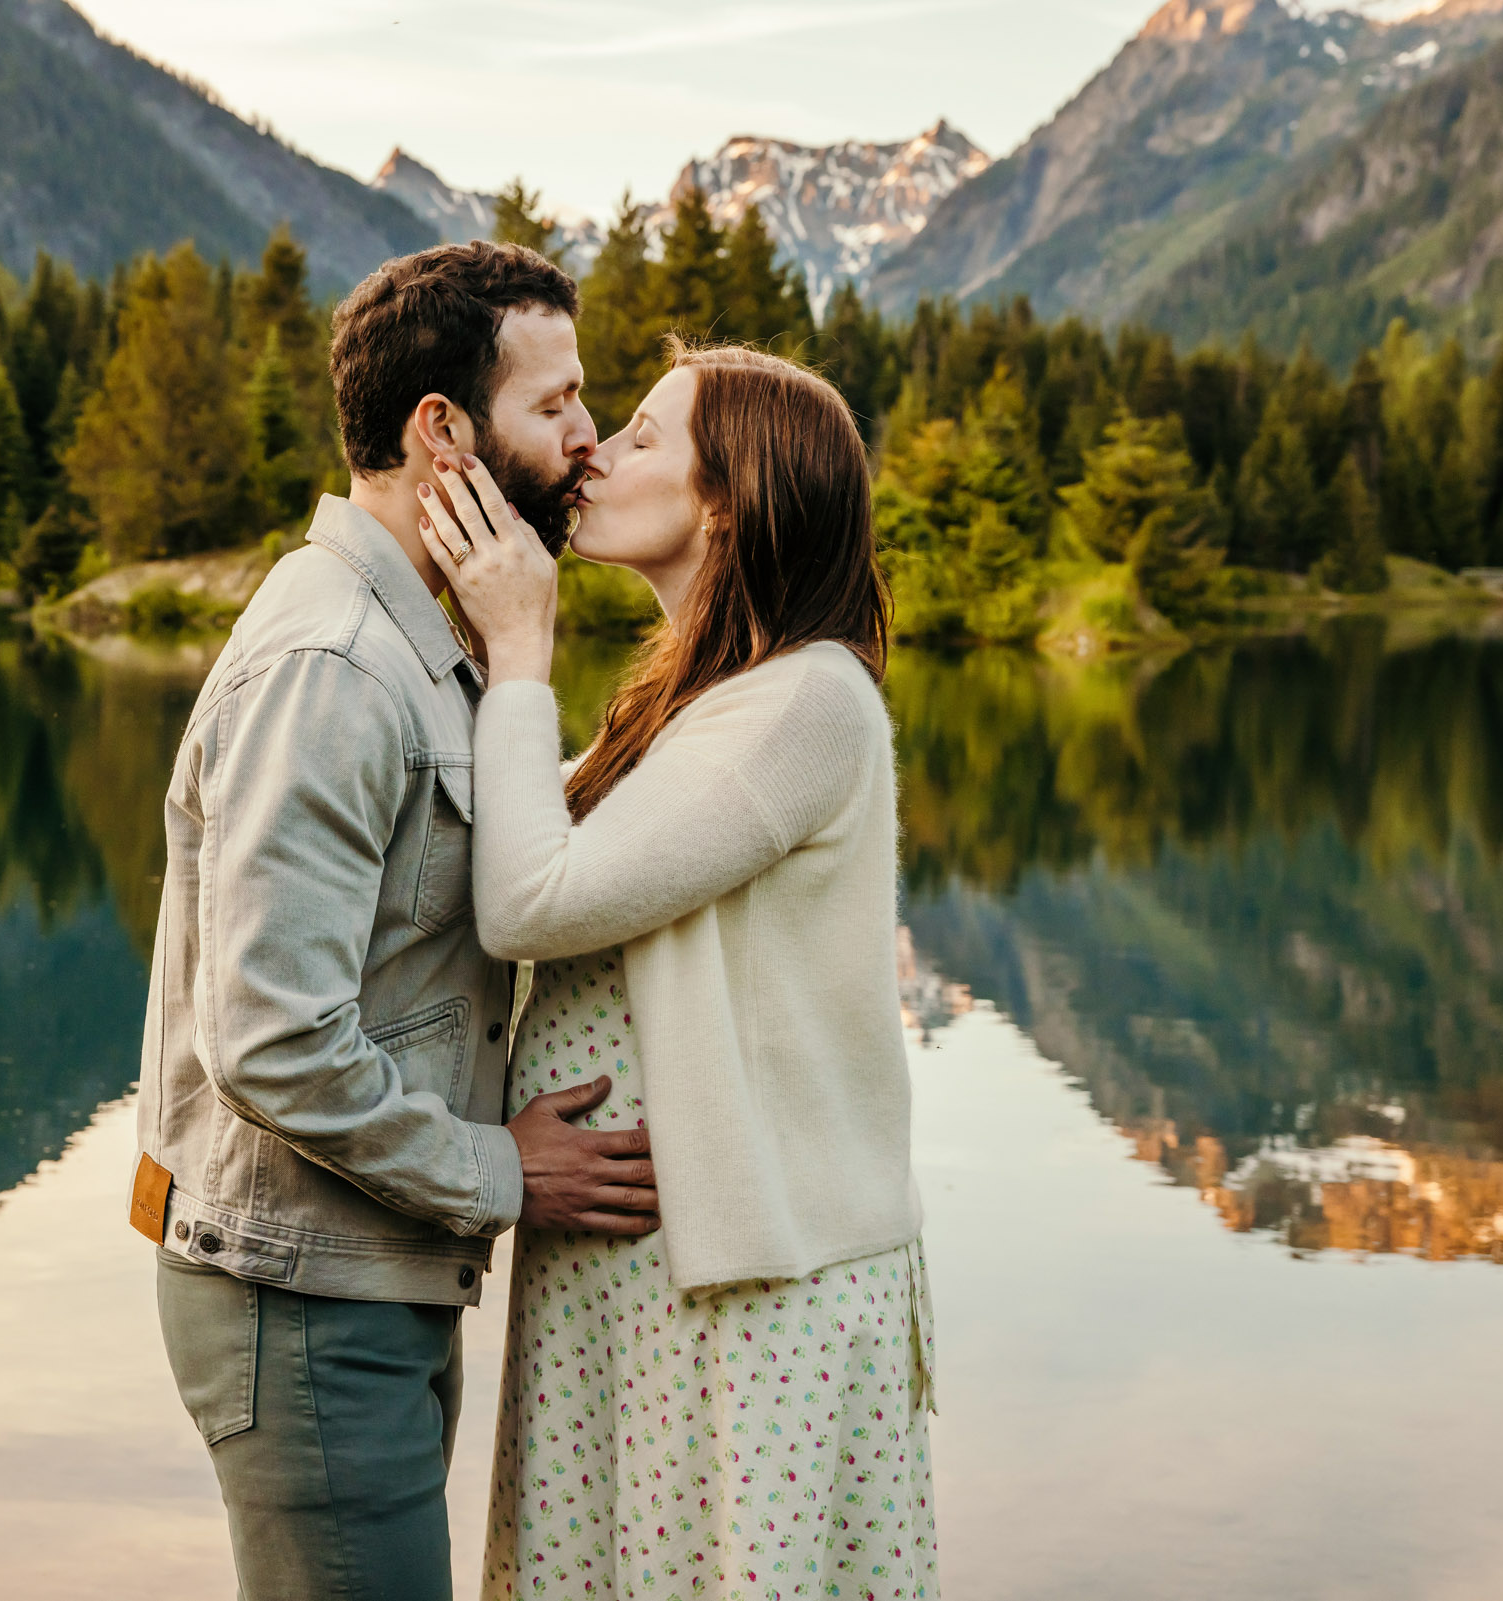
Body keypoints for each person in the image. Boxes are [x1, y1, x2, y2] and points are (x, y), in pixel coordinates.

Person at [133, 242, 663, 1601]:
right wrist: (506, 1173)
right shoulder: (337, 668)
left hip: (357, 1280)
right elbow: (268, 1038)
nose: (587, 439)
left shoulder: (414, 644)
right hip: (302, 1298)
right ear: (443, 432)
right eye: (557, 405)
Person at [418, 341, 938, 1599]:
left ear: (730, 496)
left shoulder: (804, 703)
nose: (595, 446)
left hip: (753, 1294)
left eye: (643, 434)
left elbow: (534, 900)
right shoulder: (690, 701)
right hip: (640, 1281)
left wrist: (522, 648)